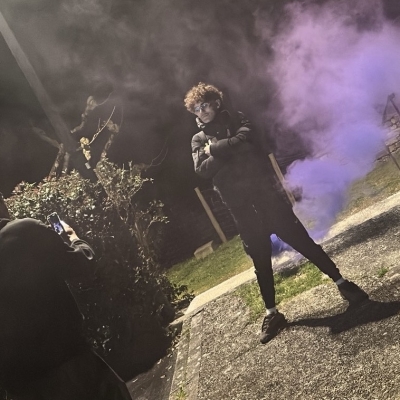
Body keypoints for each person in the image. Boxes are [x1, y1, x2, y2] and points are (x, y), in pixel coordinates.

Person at [184, 82, 369, 344]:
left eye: (204, 105)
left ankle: (343, 284)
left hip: (267, 198)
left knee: (304, 243)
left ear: (215, 103)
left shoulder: (237, 120)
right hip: (241, 209)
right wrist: (229, 148)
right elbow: (202, 170)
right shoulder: (198, 139)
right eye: (195, 109)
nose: (201, 112)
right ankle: (272, 314)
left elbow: (248, 145)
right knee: (261, 262)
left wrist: (214, 149)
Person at [0, 193, 131, 399]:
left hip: (21, 387)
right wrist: (73, 237)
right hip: (71, 368)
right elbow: (82, 265)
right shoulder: (23, 231)